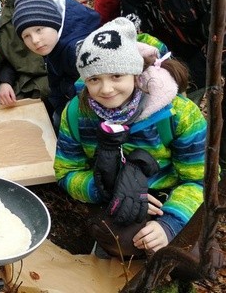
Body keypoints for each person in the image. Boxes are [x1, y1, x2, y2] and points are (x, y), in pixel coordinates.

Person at [54, 17, 206, 258]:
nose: (106, 89)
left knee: (186, 259)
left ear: (135, 74)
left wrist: (170, 223)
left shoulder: (179, 114)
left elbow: (200, 179)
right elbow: (66, 172)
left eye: (116, 76)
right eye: (94, 79)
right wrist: (107, 189)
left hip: (168, 195)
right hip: (111, 196)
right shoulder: (75, 114)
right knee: (124, 241)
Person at [12, 0, 101, 130]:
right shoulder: (52, 43)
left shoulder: (77, 52)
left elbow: (97, 94)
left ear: (55, 23)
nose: (35, 40)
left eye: (39, 29)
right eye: (26, 36)